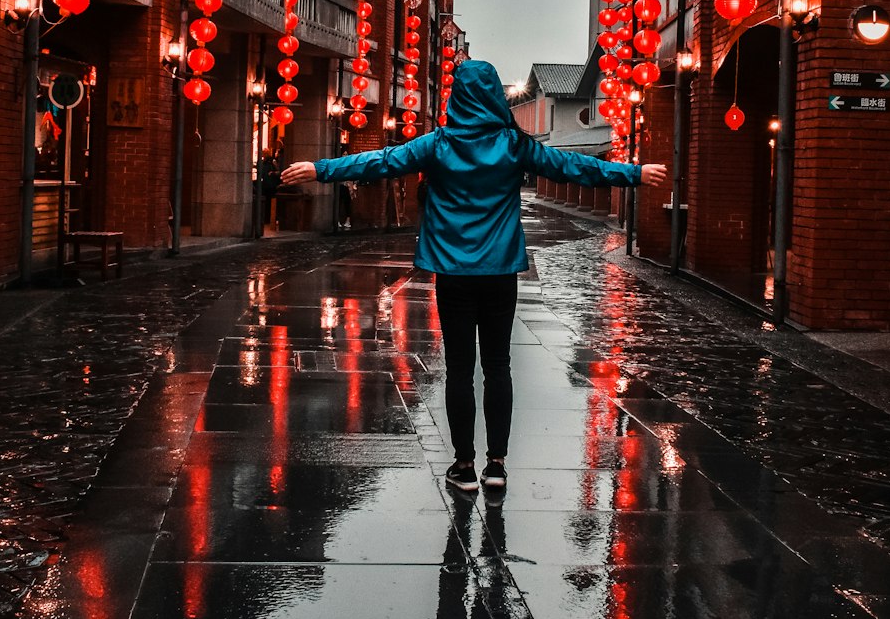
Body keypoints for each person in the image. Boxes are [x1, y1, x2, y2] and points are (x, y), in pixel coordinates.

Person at [282, 60, 666, 496]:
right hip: (500, 270)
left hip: (453, 272)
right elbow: (571, 167)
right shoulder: (514, 145)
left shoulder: (438, 145)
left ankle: (464, 466)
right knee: (498, 365)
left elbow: (383, 161)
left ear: (456, 97)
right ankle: (497, 465)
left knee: (461, 370)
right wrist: (632, 173)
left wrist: (321, 168)